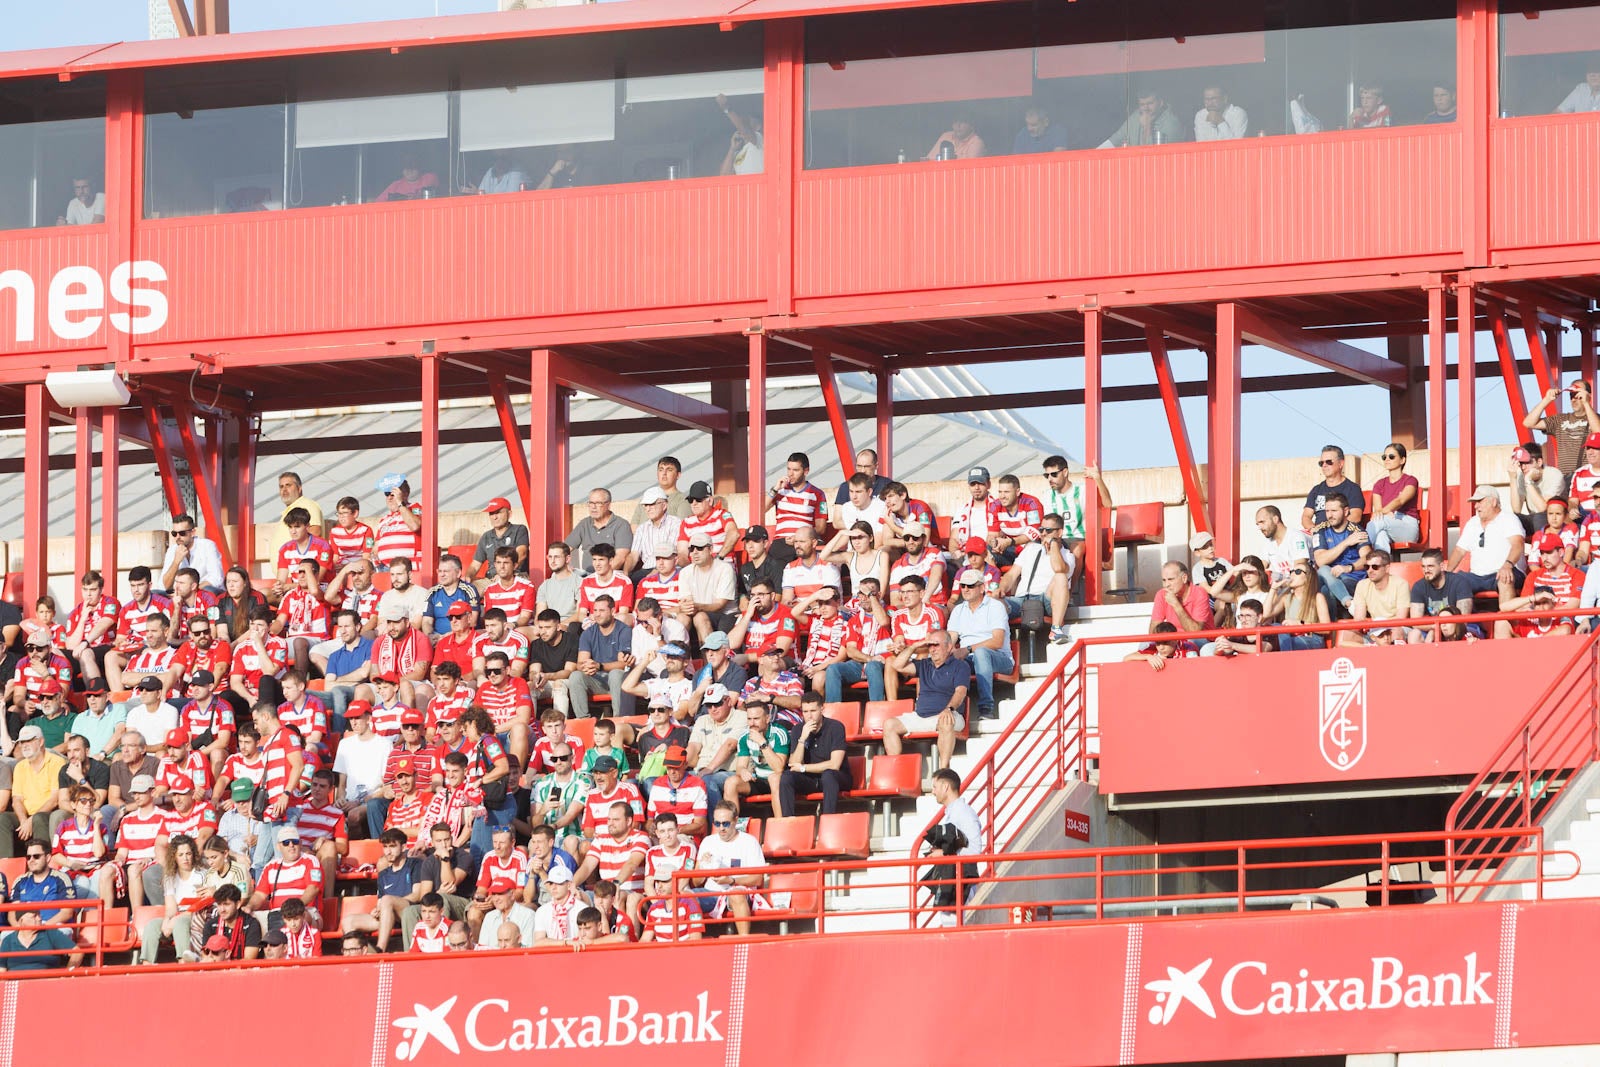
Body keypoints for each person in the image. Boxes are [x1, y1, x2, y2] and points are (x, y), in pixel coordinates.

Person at [883, 630, 969, 772]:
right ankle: (896, 771)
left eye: (936, 645)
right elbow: (897, 665)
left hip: (948, 714)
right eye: (930, 646)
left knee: (946, 721)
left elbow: (961, 692)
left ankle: (943, 771)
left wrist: (949, 709)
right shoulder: (924, 664)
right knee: (889, 724)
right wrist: (914, 646)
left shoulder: (960, 666)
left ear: (948, 647)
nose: (932, 649)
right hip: (921, 716)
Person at [945, 571, 1013, 720]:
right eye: (962, 585)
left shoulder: (995, 606)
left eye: (970, 585)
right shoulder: (958, 610)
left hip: (999, 658)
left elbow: (997, 641)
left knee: (981, 653)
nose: (965, 589)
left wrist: (968, 649)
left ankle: (986, 708)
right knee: (944, 658)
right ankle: (948, 710)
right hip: (969, 658)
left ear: (982, 588)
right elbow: (950, 638)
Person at [775, 691, 850, 818]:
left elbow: (834, 764)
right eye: (805, 712)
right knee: (787, 777)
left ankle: (828, 819)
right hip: (810, 779)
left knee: (828, 775)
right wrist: (802, 738)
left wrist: (804, 768)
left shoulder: (836, 727)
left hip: (837, 777)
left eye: (813, 711)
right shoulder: (798, 729)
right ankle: (788, 820)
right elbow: (794, 763)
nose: (809, 716)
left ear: (822, 709)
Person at [694, 802, 766, 935]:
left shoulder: (749, 842)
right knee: (684, 897)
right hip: (711, 892)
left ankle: (744, 941)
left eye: (725, 823)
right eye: (717, 823)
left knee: (736, 894)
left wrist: (731, 880)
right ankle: (691, 942)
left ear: (736, 821)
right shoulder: (708, 841)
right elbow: (696, 882)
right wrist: (703, 867)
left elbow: (757, 879)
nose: (721, 828)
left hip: (739, 890)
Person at [138, 833, 206, 965]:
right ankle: (147, 964)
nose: (185, 858)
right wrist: (167, 920)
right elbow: (170, 907)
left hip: (195, 915)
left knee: (180, 923)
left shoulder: (201, 874)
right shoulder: (170, 877)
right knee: (152, 925)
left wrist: (175, 920)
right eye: (180, 855)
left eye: (188, 854)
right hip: (178, 914)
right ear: (174, 857)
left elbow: (200, 905)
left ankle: (184, 962)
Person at [1, 725, 64, 857]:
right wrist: (24, 820)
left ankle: (41, 861)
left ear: (40, 742)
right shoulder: (20, 766)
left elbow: (54, 800)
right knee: (3, 819)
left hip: (47, 814)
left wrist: (31, 820)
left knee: (39, 819)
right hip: (25, 816)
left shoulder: (57, 762)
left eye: (28, 741)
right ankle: (5, 868)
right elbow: (17, 800)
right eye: (22, 742)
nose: (24, 745)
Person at [1449, 485, 1526, 595]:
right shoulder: (1472, 522)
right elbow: (1459, 551)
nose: (1476, 506)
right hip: (1475, 576)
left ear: (1494, 502)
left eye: (1480, 501)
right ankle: (1461, 612)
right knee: (1452, 583)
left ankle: (1506, 611)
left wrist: (1507, 566)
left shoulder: (1509, 519)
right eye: (1475, 502)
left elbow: (1517, 545)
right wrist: (1447, 573)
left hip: (1504, 571)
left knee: (1505, 577)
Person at [766, 453, 829, 567]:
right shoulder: (780, 490)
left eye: (795, 470)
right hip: (782, 541)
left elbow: (821, 528)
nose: (790, 474)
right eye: (788, 469)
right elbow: (760, 510)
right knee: (773, 566)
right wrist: (775, 488)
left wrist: (799, 538)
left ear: (806, 471)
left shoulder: (818, 494)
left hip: (805, 541)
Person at [1312, 493, 1370, 613]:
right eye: (1327, 511)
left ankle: (1329, 628)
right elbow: (1321, 560)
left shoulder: (1357, 531)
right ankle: (1349, 603)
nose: (1330, 515)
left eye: (1334, 511)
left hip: (1351, 578)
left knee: (1325, 590)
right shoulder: (1320, 530)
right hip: (1328, 577)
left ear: (1345, 511)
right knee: (1323, 570)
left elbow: (1367, 558)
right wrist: (1346, 543)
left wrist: (1349, 567)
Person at [1364, 442, 1423, 552]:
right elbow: (1378, 509)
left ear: (1402, 460)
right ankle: (1381, 566)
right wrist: (1385, 513)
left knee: (1380, 521)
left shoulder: (1410, 480)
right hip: (1387, 522)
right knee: (1381, 536)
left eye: (1391, 456)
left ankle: (1360, 550)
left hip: (1407, 525)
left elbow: (1400, 500)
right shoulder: (1379, 484)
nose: (1387, 459)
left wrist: (1385, 512)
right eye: (1384, 457)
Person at [1342, 552, 1409, 645]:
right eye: (1367, 567)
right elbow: (1359, 618)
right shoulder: (1362, 585)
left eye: (1375, 567)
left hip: (1394, 628)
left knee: (1396, 632)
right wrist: (1375, 629)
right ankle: (1369, 653)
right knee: (1346, 635)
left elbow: (1401, 619)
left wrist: (1379, 626)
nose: (1370, 570)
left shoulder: (1401, 584)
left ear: (1387, 568)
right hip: (1374, 629)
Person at [1266, 558, 1331, 651]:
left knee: (1282, 642)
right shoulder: (1286, 597)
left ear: (1308, 577)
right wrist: (1273, 589)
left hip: (1311, 639)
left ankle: (1286, 660)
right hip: (1290, 637)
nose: (1292, 574)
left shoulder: (1317, 597)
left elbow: (1327, 628)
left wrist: (1300, 624)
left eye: (1297, 571)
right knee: (1276, 627)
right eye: (1291, 571)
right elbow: (1266, 614)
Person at [567, 489, 633, 574]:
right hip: (586, 574)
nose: (593, 507)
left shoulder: (621, 525)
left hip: (611, 575)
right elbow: (565, 548)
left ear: (608, 505)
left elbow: (621, 557)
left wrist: (600, 576)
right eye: (591, 503)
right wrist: (565, 565)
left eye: (598, 503)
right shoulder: (584, 523)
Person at [1303, 446, 1366, 533]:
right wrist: (1314, 530)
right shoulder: (1316, 490)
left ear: (1341, 464)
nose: (1324, 465)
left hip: (1343, 534)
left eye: (1329, 462)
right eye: (1321, 463)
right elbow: (1306, 517)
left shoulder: (1353, 489)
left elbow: (1356, 516)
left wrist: (1332, 531)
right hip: (1318, 534)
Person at [1508, 443, 1567, 535]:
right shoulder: (1521, 476)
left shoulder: (1554, 475)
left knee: (1540, 517)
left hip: (1555, 520)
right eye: (1521, 463)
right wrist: (1513, 478)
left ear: (1539, 462)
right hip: (1533, 518)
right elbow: (1516, 510)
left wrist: (1528, 481)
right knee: (1512, 519)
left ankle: (1542, 547)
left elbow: (1543, 508)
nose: (1523, 467)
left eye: (1527, 462)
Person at [159, 513, 225, 593]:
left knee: (208, 589)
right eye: (174, 533)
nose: (178, 537)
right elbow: (165, 586)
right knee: (156, 593)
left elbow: (216, 578)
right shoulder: (172, 550)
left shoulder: (207, 546)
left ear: (193, 532)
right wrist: (176, 562)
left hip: (205, 592)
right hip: (182, 594)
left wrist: (191, 591)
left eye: (182, 533)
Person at [1, 907, 80, 971]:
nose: (39, 918)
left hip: (47, 984)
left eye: (39, 915)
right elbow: (2, 969)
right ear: (21, 921)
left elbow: (77, 952)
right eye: (34, 916)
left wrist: (67, 975)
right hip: (17, 986)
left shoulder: (50, 933)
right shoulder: (8, 940)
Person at [627, 489, 683, 579]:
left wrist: (655, 571)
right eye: (646, 505)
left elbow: (670, 552)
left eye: (652, 504)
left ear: (664, 505)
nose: (648, 509)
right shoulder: (642, 528)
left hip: (669, 569)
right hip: (646, 570)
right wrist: (625, 574)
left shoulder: (676, 523)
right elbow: (633, 555)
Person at [1100, 90, 1182, 147]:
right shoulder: (1135, 117)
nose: (1146, 108)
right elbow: (1115, 140)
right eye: (1142, 104)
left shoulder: (1171, 124)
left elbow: (1154, 158)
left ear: (1160, 103)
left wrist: (1147, 127)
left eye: (1150, 103)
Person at [929, 768, 982, 856]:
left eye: (935, 787)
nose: (933, 792)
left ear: (945, 787)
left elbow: (975, 850)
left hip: (962, 869)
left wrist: (943, 853)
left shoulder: (963, 812)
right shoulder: (956, 811)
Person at [1255, 505, 1311, 586]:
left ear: (1275, 519)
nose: (1259, 527)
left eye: (1262, 522)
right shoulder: (1268, 543)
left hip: (1300, 585)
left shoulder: (1296, 537)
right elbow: (1260, 567)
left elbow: (1300, 567)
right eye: (1258, 524)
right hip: (1279, 586)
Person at [630, 457, 691, 525]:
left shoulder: (683, 500)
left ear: (678, 475)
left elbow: (682, 528)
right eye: (661, 470)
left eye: (669, 470)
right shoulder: (646, 498)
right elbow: (633, 526)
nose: (664, 473)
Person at [479, 876, 537, 947]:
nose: (496, 899)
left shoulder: (528, 915)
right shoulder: (489, 917)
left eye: (500, 894)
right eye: (494, 894)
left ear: (512, 894)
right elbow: (482, 947)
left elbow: (528, 947)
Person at [717, 93, 764, 175]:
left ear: (758, 126)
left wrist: (727, 109)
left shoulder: (760, 140)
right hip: (746, 187)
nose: (744, 124)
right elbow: (723, 175)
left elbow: (744, 130)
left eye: (748, 122)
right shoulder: (737, 153)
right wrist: (732, 149)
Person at [375, 157, 439, 201]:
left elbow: (440, 194)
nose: (410, 170)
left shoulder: (429, 178)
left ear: (420, 168)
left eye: (413, 167)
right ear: (402, 170)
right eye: (407, 168)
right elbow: (378, 202)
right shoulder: (395, 185)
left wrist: (417, 197)